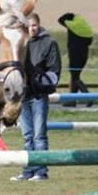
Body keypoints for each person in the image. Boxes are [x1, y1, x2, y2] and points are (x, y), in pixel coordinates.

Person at [11, 13, 61, 182]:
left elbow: (54, 71)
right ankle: (27, 171)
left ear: (39, 25)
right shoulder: (20, 42)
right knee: (27, 136)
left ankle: (41, 171)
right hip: (24, 96)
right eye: (28, 26)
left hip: (39, 95)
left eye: (34, 25)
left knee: (39, 135)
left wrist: (39, 82)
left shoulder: (49, 43)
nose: (31, 29)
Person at [57, 12, 93, 97]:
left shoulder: (72, 27)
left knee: (75, 77)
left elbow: (60, 20)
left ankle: (88, 97)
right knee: (75, 77)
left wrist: (68, 17)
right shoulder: (84, 27)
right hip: (84, 56)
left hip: (75, 56)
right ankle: (72, 100)